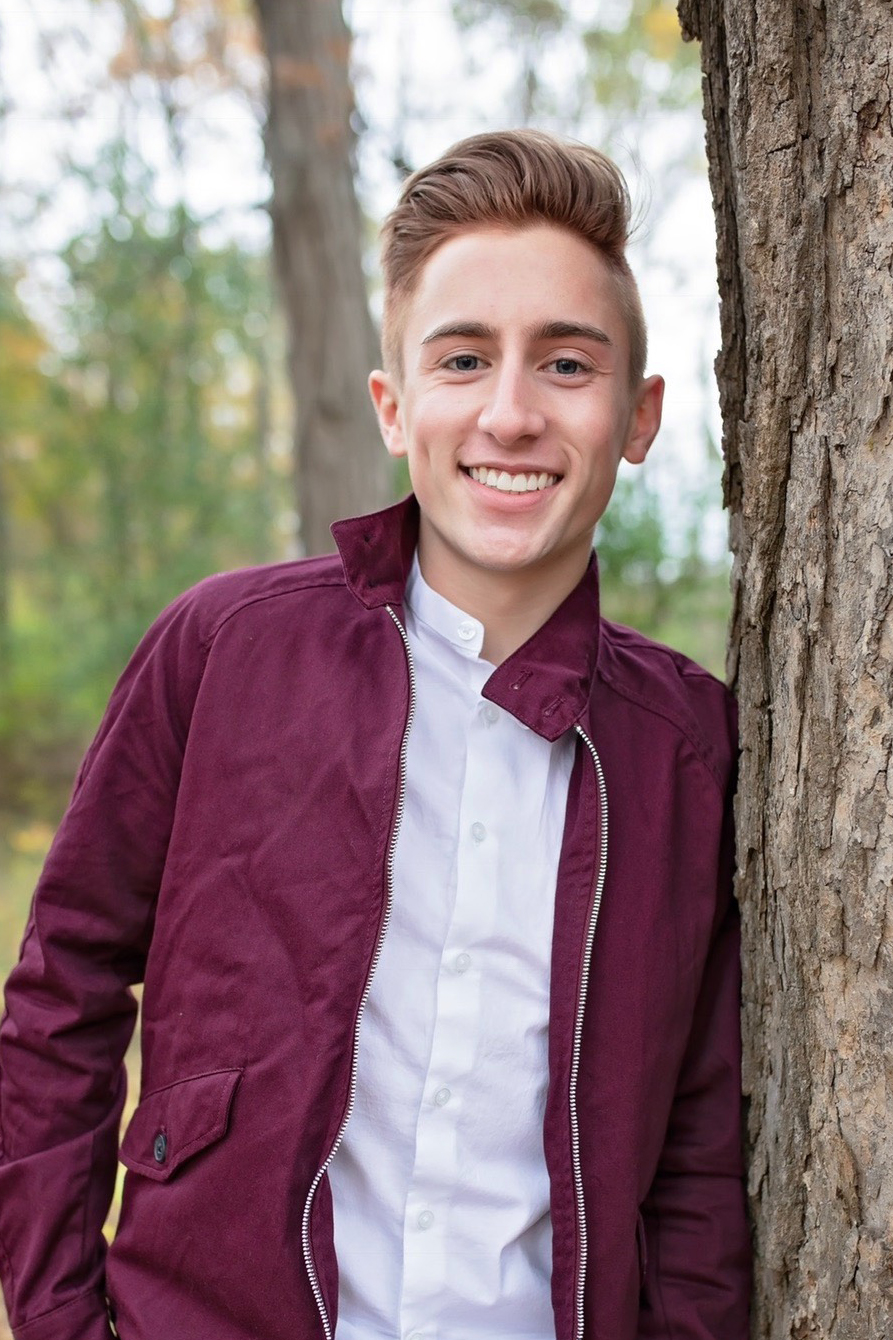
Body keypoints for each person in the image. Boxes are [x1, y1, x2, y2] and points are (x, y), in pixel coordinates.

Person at [0, 130, 749, 1340]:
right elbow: (61, 994)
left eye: (564, 362)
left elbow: (702, 1151)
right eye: (463, 359)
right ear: (395, 407)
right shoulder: (224, 650)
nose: (509, 413)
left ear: (637, 414)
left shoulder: (688, 751)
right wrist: (57, 1318)